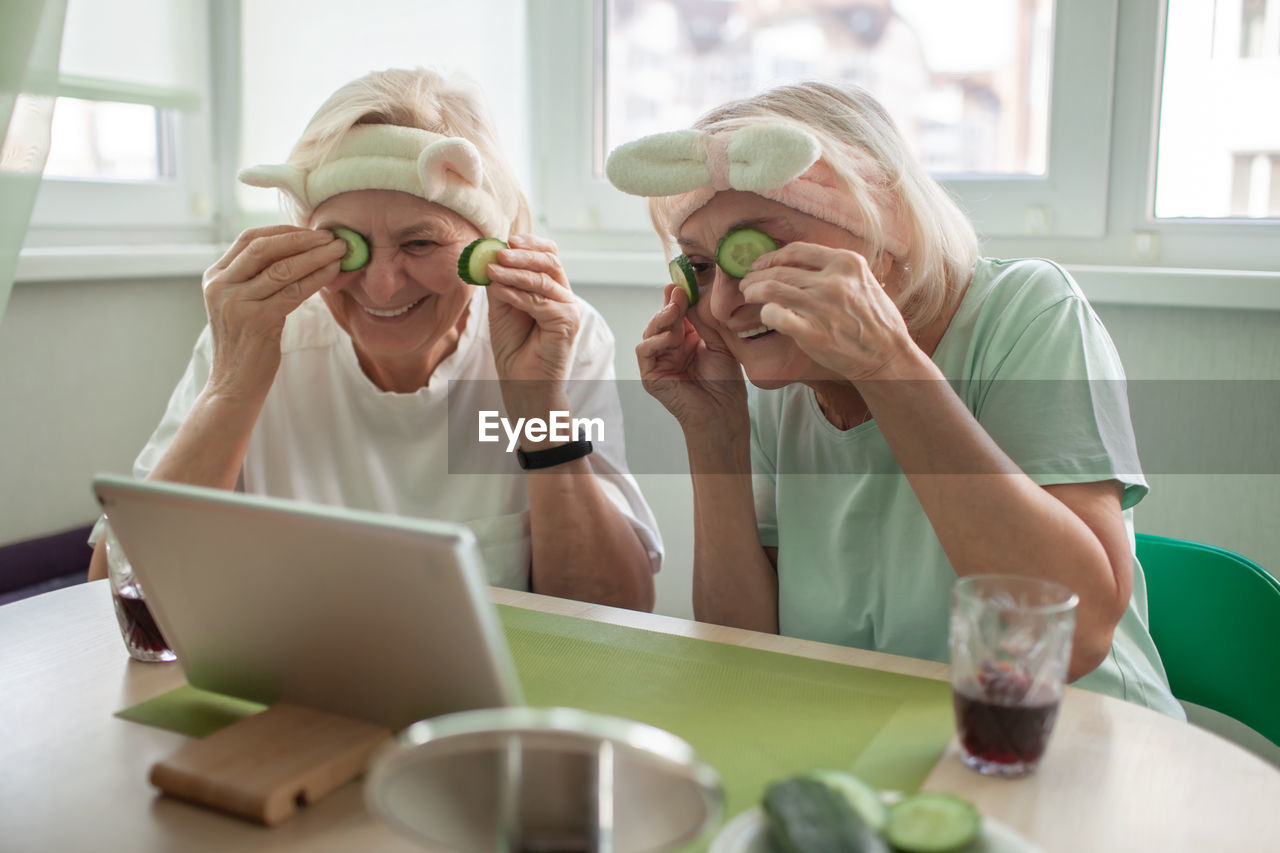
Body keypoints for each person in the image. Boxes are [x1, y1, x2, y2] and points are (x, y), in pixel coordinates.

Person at [606, 81, 1182, 714]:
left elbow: (1071, 642)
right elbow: (744, 662)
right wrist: (714, 434)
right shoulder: (784, 382)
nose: (722, 304)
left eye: (756, 251)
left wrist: (886, 363)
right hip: (885, 750)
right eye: (704, 266)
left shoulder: (1029, 313)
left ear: (883, 230)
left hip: (1079, 741)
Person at [88, 68, 660, 610]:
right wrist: (232, 387)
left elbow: (614, 612)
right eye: (344, 243)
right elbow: (112, 596)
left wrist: (538, 410)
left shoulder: (556, 336)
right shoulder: (259, 335)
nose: (382, 286)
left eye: (419, 244)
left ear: (491, 251)